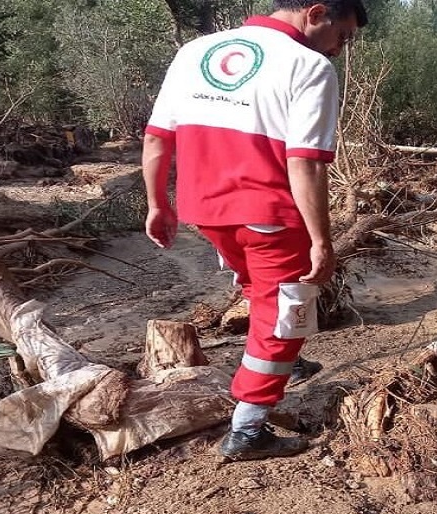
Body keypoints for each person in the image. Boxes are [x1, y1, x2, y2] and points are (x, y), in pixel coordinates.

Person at [142, 0, 367, 461]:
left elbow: (156, 137)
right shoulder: (309, 66)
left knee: (258, 287)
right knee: (283, 314)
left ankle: (287, 362)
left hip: (204, 209)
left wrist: (157, 204)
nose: (340, 50)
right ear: (316, 12)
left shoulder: (195, 51)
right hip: (269, 213)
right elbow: (304, 162)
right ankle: (247, 430)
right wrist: (322, 241)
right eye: (342, 36)